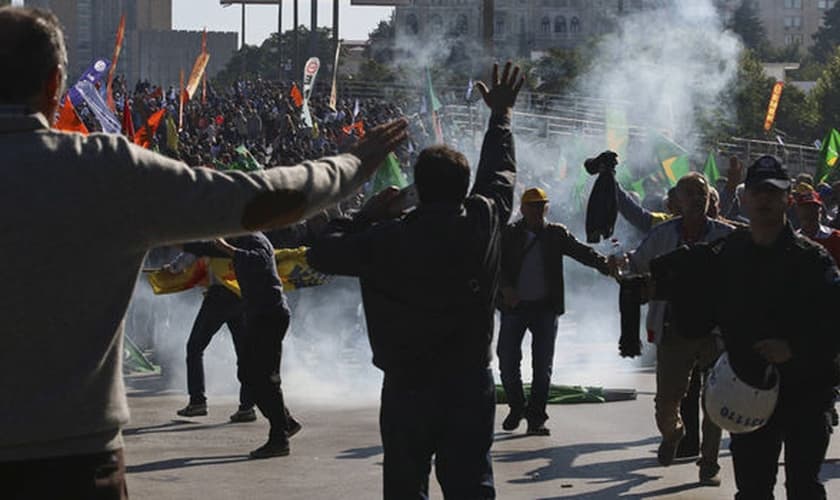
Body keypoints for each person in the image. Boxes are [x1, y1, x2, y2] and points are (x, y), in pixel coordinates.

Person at [0, 6, 406, 498]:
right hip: (76, 462)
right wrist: (350, 166)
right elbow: (254, 200)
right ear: (55, 84)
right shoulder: (103, 170)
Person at [307, 61, 524, 499]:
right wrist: (500, 117)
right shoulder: (482, 220)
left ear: (416, 190)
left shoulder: (385, 238)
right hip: (468, 381)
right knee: (471, 486)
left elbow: (322, 252)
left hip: (408, 386)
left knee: (406, 486)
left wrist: (365, 215)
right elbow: (499, 178)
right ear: (464, 188)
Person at [645, 155, 840, 498]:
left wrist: (794, 348)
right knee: (752, 490)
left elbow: (834, 323)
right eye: (757, 191)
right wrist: (655, 285)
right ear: (745, 199)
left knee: (804, 488)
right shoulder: (728, 252)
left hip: (807, 392)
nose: (765, 198)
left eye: (773, 192)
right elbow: (694, 303)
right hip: (747, 393)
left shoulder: (812, 260)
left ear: (788, 200)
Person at [619, 172, 733, 486]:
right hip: (673, 329)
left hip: (714, 333)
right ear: (677, 201)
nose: (697, 198)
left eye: (702, 193)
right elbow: (635, 265)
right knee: (666, 404)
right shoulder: (662, 235)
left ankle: (709, 464)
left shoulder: (727, 236)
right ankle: (674, 434)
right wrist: (620, 265)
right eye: (690, 193)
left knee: (714, 400)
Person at [497, 187, 611, 435]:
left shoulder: (556, 234)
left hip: (545, 308)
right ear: (522, 208)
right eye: (532, 206)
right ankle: (517, 406)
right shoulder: (509, 234)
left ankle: (536, 418)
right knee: (507, 362)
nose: (537, 211)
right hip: (514, 308)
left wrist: (608, 266)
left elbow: (583, 253)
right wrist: (505, 288)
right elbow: (496, 265)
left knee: (542, 367)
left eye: (541, 206)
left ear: (546, 208)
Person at [213, 234, 300, 458]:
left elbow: (258, 259)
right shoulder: (243, 239)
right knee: (248, 373)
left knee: (266, 378)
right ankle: (285, 422)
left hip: (269, 315)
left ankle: (279, 438)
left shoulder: (254, 239)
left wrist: (227, 248)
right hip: (258, 315)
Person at [164, 244, 255, 422]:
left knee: (194, 347)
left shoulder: (214, 239)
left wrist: (172, 268)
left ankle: (197, 401)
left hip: (219, 296)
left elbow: (191, 253)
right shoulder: (247, 238)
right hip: (242, 294)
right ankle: (247, 406)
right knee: (244, 353)